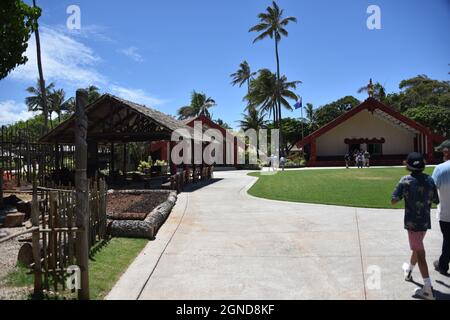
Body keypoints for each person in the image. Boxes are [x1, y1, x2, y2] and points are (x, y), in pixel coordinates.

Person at [391, 152, 439, 300]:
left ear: (408, 165)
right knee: (417, 249)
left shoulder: (405, 180)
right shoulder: (430, 180)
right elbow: (436, 200)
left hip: (412, 223)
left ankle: (428, 289)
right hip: (424, 222)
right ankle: (409, 271)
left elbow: (393, 200)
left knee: (420, 252)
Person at [432, 140, 450, 275]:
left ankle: (443, 265)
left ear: (446, 152)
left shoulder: (440, 169)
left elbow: (432, 190)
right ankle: (442, 263)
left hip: (446, 213)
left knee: (448, 240)